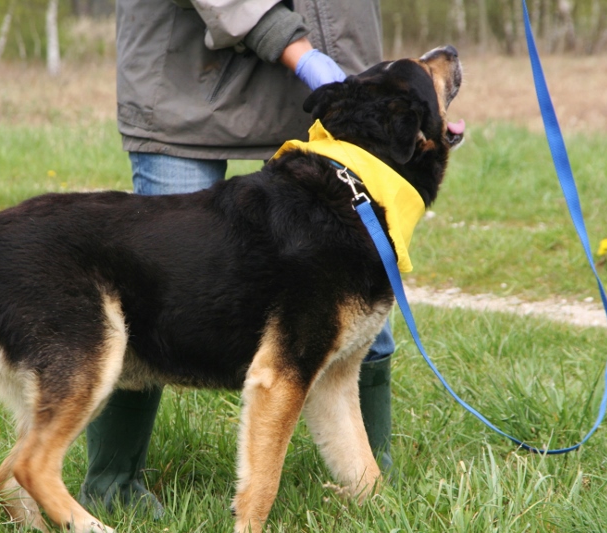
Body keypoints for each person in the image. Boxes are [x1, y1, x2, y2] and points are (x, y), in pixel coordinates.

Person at [78, 0, 392, 516]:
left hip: (328, 96)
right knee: (150, 291)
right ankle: (113, 486)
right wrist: (292, 45)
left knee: (353, 311)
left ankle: (371, 487)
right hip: (185, 77)